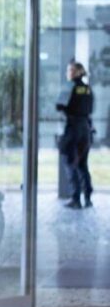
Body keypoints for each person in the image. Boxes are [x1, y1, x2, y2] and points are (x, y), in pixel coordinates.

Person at [56, 61, 94, 209]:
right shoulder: (87, 89)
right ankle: (88, 197)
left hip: (72, 129)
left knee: (70, 162)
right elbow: (90, 108)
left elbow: (59, 106)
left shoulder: (69, 87)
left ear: (76, 72)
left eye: (70, 70)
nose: (68, 73)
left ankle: (75, 198)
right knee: (82, 164)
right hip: (85, 129)